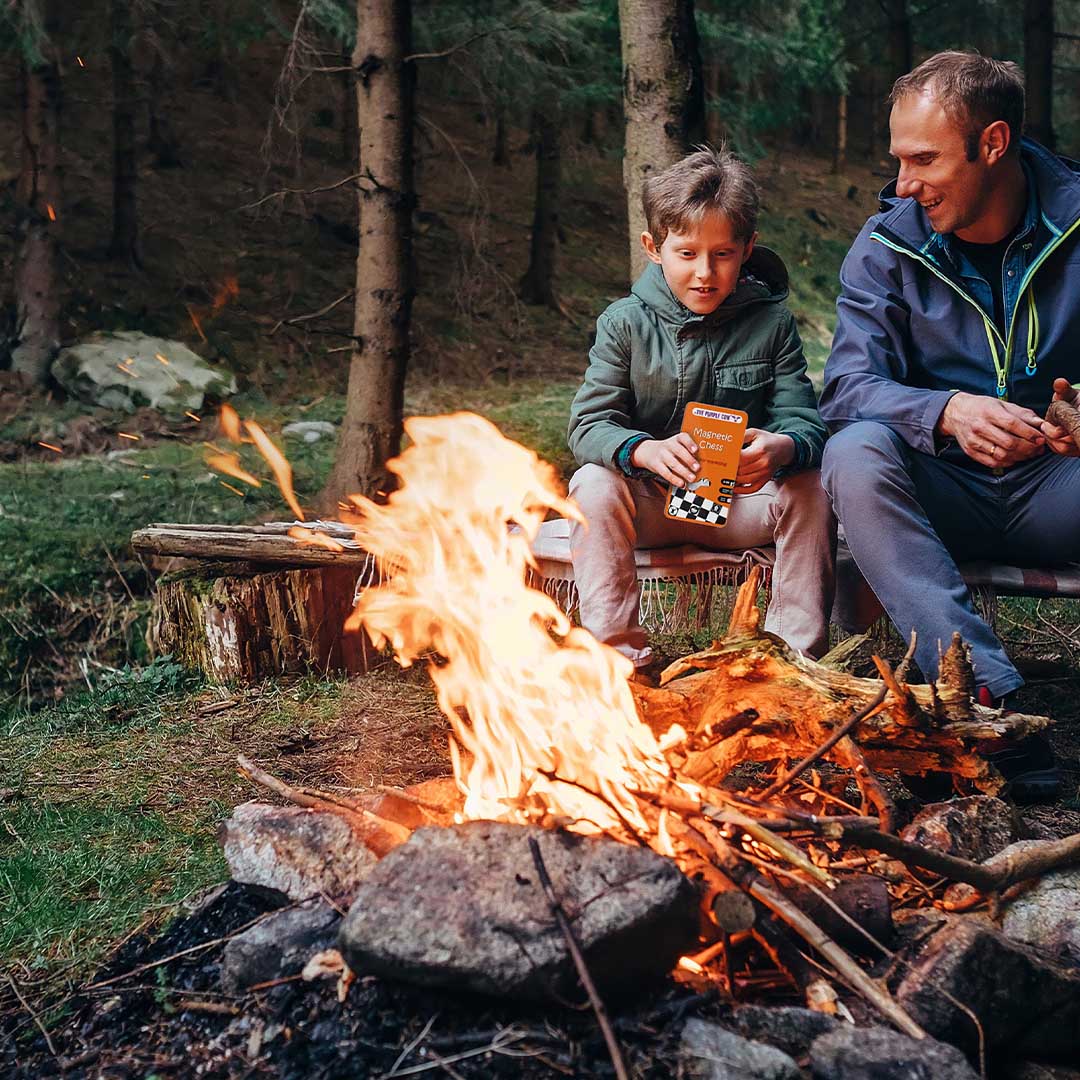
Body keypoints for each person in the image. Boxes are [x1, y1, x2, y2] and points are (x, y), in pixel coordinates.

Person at [819, 52, 1080, 797]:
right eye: (899, 159)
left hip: (1058, 488)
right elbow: (845, 388)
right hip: (937, 498)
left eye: (923, 159)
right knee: (855, 451)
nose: (903, 183)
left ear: (992, 144)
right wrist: (944, 412)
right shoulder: (885, 246)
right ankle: (990, 698)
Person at [567, 148, 836, 673]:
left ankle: (791, 662)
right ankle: (619, 662)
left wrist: (782, 446)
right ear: (653, 247)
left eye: (723, 254)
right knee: (591, 484)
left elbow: (805, 423)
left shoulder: (771, 323)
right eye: (687, 254)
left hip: (740, 505)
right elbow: (587, 425)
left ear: (748, 249)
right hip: (651, 506)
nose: (705, 274)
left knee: (811, 485)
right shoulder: (623, 324)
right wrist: (642, 451)